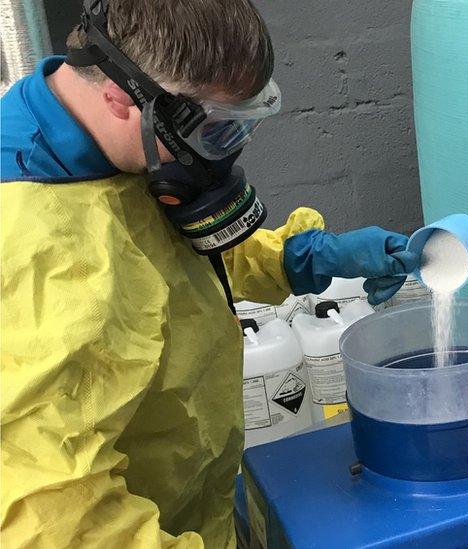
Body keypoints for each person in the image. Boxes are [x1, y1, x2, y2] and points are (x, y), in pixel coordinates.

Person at [0, 0, 418, 547]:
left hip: (196, 511)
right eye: (220, 133)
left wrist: (305, 257)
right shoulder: (39, 251)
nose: (231, 154)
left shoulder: (100, 144)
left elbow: (160, 262)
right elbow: (57, 518)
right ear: (122, 99)